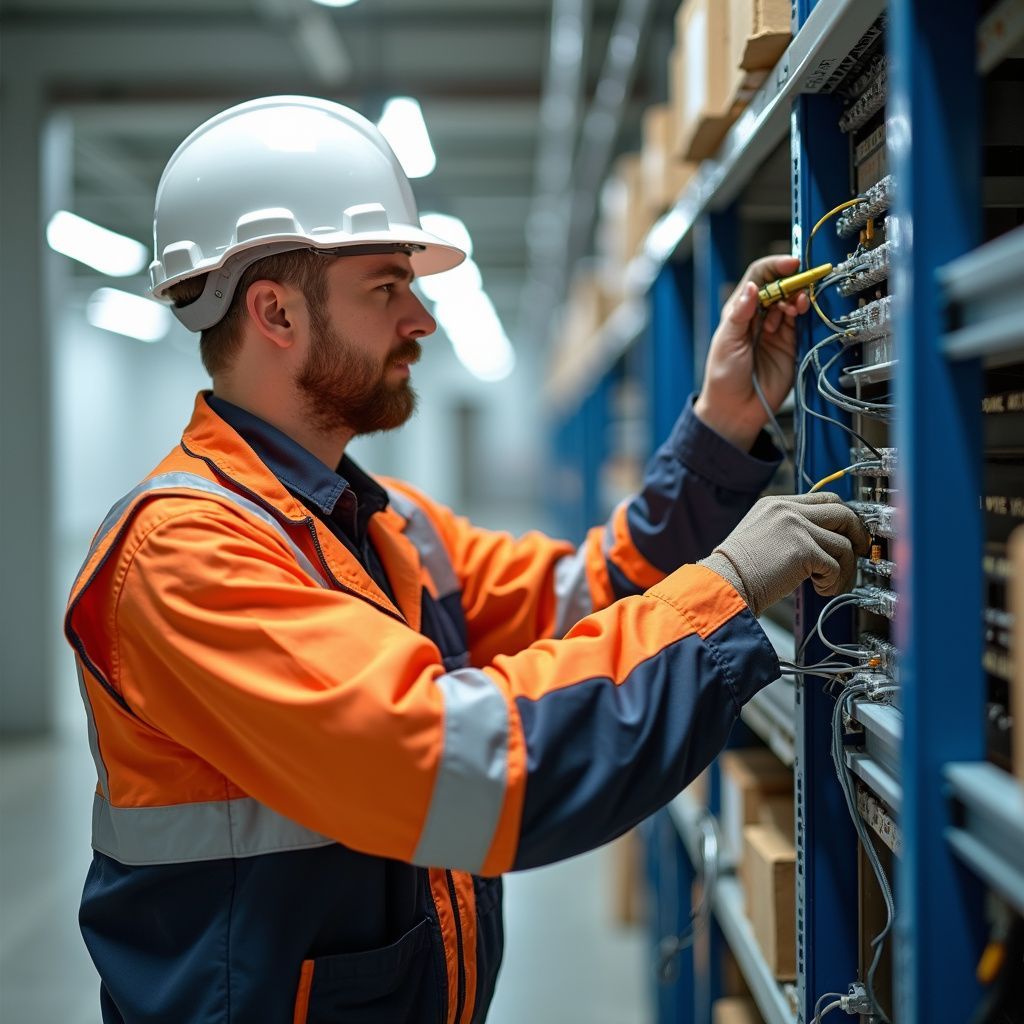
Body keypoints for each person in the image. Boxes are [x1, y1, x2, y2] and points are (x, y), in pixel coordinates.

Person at [64, 96, 869, 1024]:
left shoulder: (380, 521)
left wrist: (722, 430)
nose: (423, 320)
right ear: (275, 312)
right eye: (386, 287)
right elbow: (462, 763)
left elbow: (585, 593)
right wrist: (725, 590)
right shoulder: (182, 556)